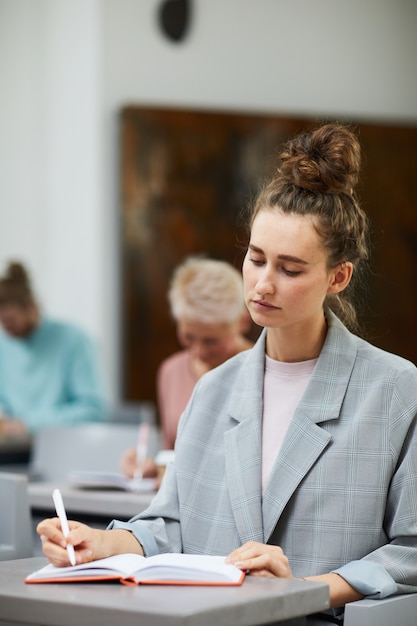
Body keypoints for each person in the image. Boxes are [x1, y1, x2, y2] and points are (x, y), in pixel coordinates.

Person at [37, 123, 417, 624]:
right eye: (255, 259)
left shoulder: (394, 390)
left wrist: (306, 590)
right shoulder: (214, 390)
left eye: (290, 269)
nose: (262, 284)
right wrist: (99, 542)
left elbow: (410, 550)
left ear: (337, 276)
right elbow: (170, 525)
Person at [121, 255, 254, 479]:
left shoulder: (260, 369)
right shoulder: (171, 371)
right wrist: (152, 468)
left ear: (242, 322)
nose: (199, 352)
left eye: (211, 341)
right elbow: (172, 454)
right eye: (188, 337)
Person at [0, 261, 108, 435]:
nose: (6, 329)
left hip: (62, 445)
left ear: (31, 307)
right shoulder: (4, 344)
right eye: (1, 323)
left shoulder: (74, 341)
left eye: (11, 321)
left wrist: (29, 424)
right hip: (13, 447)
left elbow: (93, 409)